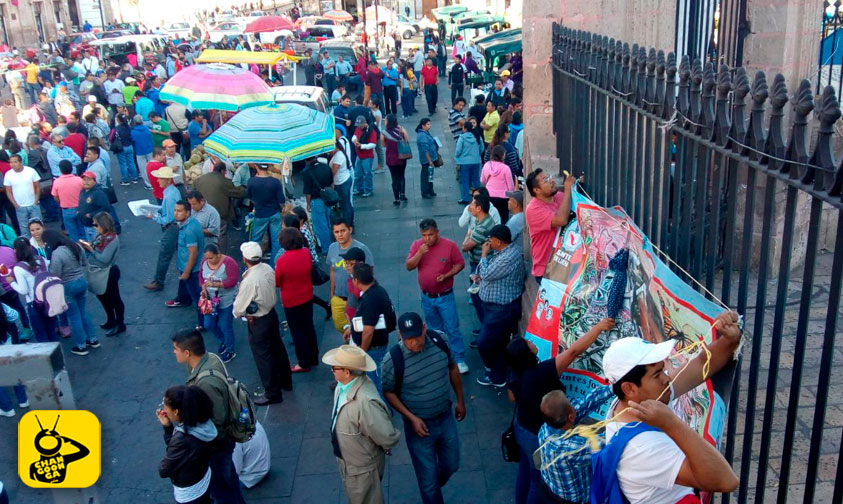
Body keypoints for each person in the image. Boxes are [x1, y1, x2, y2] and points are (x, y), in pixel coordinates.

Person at [593, 312, 742, 504]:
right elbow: (726, 481)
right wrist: (671, 423)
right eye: (657, 374)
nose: (667, 378)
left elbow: (702, 363)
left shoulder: (637, 400)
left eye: (663, 369)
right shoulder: (643, 448)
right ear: (629, 388)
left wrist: (731, 339)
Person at [506, 318, 615, 504]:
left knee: (524, 471)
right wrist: (597, 328)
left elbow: (512, 397)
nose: (532, 341)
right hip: (534, 434)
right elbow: (573, 352)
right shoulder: (540, 373)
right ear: (526, 353)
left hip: (521, 427)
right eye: (528, 343)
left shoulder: (516, 372)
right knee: (536, 480)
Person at [382, 312, 466, 504]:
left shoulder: (439, 340)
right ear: (400, 335)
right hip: (419, 428)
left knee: (452, 464)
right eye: (408, 338)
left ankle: (433, 482)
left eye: (417, 336)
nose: (414, 342)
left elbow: (453, 367)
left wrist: (460, 401)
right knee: (428, 485)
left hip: (445, 418)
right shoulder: (393, 359)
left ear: (425, 329)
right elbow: (389, 392)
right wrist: (411, 418)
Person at [172, 329, 248, 504]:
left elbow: (217, 419)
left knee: (222, 488)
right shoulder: (211, 358)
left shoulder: (206, 382)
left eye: (176, 349)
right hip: (222, 441)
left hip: (217, 444)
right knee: (229, 479)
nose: (174, 352)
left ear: (187, 352)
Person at [323, 345, 401, 504]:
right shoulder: (342, 385)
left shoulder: (365, 401)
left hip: (362, 470)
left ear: (347, 372)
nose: (332, 369)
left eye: (334, 367)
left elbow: (387, 436)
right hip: (349, 463)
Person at [232, 241, 292, 405]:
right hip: (271, 314)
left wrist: (241, 313)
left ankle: (272, 393)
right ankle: (286, 382)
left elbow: (238, 307)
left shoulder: (250, 280)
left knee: (263, 357)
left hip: (258, 320)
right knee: (278, 349)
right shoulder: (267, 268)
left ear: (245, 259)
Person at [405, 218, 468, 374]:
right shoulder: (417, 246)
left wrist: (447, 275)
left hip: (445, 296)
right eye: (424, 235)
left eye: (431, 235)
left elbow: (460, 264)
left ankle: (459, 359)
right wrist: (419, 253)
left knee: (452, 328)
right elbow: (409, 266)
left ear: (437, 232)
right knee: (434, 329)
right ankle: (440, 357)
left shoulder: (449, 246)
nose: (428, 239)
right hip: (427, 297)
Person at [156, 384, 217, 504]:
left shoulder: (182, 439)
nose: (164, 410)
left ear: (176, 411)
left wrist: (168, 431)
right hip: (204, 477)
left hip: (190, 493)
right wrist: (168, 427)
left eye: (165, 407)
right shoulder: (202, 423)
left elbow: (164, 470)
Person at [44, 229, 99, 356]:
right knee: (83, 312)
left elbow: (56, 274)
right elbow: (84, 262)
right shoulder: (76, 246)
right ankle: (93, 339)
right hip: (81, 281)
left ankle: (81, 346)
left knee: (74, 316)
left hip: (68, 286)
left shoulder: (57, 253)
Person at [347, 262, 395, 397]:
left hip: (373, 349)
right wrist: (352, 328)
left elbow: (368, 330)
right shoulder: (377, 290)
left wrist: (362, 351)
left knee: (374, 383)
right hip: (377, 344)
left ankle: (384, 413)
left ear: (356, 280)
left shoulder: (370, 299)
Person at [274, 227, 319, 372]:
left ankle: (304, 362)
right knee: (309, 327)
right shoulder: (305, 253)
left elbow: (277, 282)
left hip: (291, 300)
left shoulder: (282, 261)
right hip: (307, 295)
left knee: (297, 331)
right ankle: (314, 357)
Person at [525, 169, 577, 283]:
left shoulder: (559, 196)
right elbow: (561, 220)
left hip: (562, 265)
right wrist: (568, 189)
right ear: (536, 190)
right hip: (546, 271)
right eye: (546, 180)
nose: (552, 181)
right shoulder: (533, 209)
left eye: (550, 176)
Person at [79, 212, 125, 337]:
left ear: (103, 225)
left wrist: (91, 250)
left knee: (115, 298)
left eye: (96, 224)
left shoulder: (111, 239)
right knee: (102, 295)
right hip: (100, 271)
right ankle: (111, 319)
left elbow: (104, 258)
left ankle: (120, 324)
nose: (94, 227)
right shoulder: (101, 236)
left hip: (108, 271)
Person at [327, 218, 374, 334]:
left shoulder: (361, 249)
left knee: (359, 330)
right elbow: (332, 270)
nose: (340, 235)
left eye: (343, 231)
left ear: (350, 230)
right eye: (336, 232)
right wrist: (332, 294)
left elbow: (370, 271)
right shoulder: (332, 248)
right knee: (341, 327)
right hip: (338, 298)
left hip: (356, 299)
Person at [8, 237, 56, 342]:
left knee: (41, 336)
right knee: (52, 333)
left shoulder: (18, 268)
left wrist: (11, 282)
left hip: (34, 304)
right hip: (49, 300)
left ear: (15, 251)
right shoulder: (41, 260)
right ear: (30, 247)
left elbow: (23, 291)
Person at [461, 193, 496, 335]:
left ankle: (486, 329)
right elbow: (469, 235)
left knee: (478, 296)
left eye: (473, 205)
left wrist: (467, 240)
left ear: (479, 208)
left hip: (480, 264)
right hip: (476, 261)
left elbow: (466, 246)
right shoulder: (480, 221)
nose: (470, 207)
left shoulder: (483, 226)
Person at [198, 243, 239, 362]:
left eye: (211, 258)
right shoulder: (204, 263)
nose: (208, 260)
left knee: (226, 325)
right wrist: (203, 288)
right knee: (208, 324)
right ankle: (224, 341)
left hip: (226, 299)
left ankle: (230, 349)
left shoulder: (229, 263)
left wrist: (216, 284)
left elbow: (232, 281)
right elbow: (201, 277)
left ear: (218, 255)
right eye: (207, 258)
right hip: (210, 301)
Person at [193, 162, 246, 250]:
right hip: (218, 214)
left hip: (200, 212)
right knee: (220, 235)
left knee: (202, 234)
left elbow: (192, 192)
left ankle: (203, 256)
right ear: (222, 171)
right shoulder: (224, 181)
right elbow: (238, 192)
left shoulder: (200, 179)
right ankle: (220, 257)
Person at [144, 166, 181, 292]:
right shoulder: (172, 192)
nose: (158, 180)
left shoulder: (169, 195)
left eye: (160, 178)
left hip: (172, 228)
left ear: (168, 180)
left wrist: (154, 216)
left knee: (164, 254)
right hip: (175, 226)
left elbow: (168, 218)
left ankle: (159, 281)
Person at [174, 200, 205, 330]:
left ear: (187, 213)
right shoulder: (191, 223)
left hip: (192, 270)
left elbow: (193, 253)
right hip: (190, 267)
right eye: (175, 210)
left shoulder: (189, 230)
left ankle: (203, 323)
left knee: (198, 296)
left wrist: (186, 272)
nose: (176, 213)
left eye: (179, 211)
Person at [247, 163, 284, 261]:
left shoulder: (251, 182)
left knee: (256, 240)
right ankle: (275, 265)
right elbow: (281, 201)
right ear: (268, 167)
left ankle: (253, 262)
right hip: (274, 213)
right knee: (276, 241)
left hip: (260, 214)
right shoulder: (275, 182)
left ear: (256, 167)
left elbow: (249, 197)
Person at [302, 156, 334, 254]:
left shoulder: (306, 172)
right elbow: (332, 183)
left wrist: (308, 204)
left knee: (320, 226)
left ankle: (326, 248)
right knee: (328, 223)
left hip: (316, 200)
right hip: (328, 198)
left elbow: (308, 191)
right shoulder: (325, 167)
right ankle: (331, 244)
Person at [4, 154, 42, 237]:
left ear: (21, 162)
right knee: (24, 230)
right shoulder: (8, 174)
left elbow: (37, 187)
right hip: (20, 207)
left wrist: (35, 201)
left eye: (15, 162)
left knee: (38, 227)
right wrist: (16, 205)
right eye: (11, 162)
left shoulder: (31, 171)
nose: (12, 164)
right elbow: (8, 191)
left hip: (33, 204)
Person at [481, 145, 515, 223]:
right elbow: (510, 186)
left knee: (491, 218)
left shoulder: (487, 165)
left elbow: (482, 180)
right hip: (503, 197)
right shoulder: (505, 168)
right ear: (502, 155)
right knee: (503, 219)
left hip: (489, 195)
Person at [232, 421, 271, 489]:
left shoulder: (234, 438)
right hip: (262, 467)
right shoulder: (247, 416)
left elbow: (234, 471)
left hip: (249, 477)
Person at [381, 113, 409, 205]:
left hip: (391, 158)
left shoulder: (384, 133)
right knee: (402, 176)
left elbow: (383, 144)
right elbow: (406, 139)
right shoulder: (401, 129)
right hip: (402, 157)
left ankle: (396, 199)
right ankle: (403, 194)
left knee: (394, 178)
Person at [454, 120, 483, 204]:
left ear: (465, 129)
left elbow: (458, 150)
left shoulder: (462, 137)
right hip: (476, 161)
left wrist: (457, 157)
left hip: (464, 162)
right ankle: (479, 197)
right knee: (476, 179)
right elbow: (481, 148)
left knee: (465, 180)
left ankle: (466, 198)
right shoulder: (477, 136)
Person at [329, 131, 354, 226]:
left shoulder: (338, 157)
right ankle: (350, 222)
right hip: (344, 180)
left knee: (345, 205)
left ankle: (348, 224)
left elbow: (333, 172)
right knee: (347, 203)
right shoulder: (339, 154)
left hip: (341, 183)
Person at [77, 171, 111, 241]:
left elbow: (106, 208)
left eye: (89, 180)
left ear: (95, 181)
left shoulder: (98, 193)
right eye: (84, 180)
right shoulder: (83, 191)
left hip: (95, 227)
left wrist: (91, 215)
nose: (86, 182)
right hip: (86, 225)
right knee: (92, 246)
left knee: (98, 246)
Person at [352, 115, 377, 198]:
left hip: (367, 156)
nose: (359, 127)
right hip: (359, 155)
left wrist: (361, 146)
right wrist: (354, 140)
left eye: (360, 125)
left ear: (365, 123)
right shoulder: (358, 129)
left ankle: (368, 189)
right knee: (357, 173)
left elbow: (373, 144)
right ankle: (360, 188)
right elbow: (354, 135)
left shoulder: (372, 131)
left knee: (367, 174)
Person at [415, 118, 438, 199]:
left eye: (430, 124)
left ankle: (430, 190)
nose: (430, 126)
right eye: (428, 124)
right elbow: (425, 150)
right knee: (425, 175)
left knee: (430, 175)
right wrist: (430, 160)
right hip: (426, 160)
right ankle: (425, 191)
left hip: (430, 158)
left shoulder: (425, 133)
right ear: (423, 125)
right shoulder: (422, 136)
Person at [113, 113, 138, 185]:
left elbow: (111, 138)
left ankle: (125, 179)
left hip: (121, 147)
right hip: (130, 146)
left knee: (123, 164)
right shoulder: (129, 127)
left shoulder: (116, 129)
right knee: (131, 162)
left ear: (118, 120)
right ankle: (134, 178)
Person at [131, 114, 155, 188]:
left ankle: (148, 184)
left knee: (143, 169)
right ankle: (154, 181)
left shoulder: (133, 132)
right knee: (152, 166)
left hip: (139, 151)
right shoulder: (147, 129)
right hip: (149, 149)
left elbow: (133, 141)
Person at [506, 189, 525, 255]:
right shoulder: (521, 215)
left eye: (510, 200)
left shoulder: (516, 220)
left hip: (514, 256)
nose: (508, 202)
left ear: (515, 204)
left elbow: (504, 241)